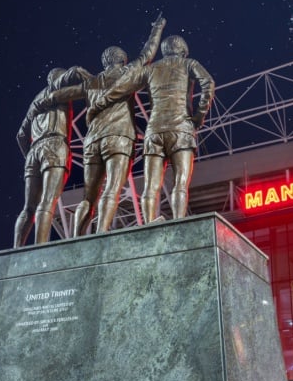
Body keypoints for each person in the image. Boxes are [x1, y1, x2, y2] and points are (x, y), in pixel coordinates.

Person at [37, 15, 166, 235]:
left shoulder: (91, 82)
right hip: (118, 137)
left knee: (89, 196)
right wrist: (157, 28)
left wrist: (44, 100)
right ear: (122, 60)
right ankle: (101, 234)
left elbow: (61, 94)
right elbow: (148, 53)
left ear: (105, 62)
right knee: (113, 188)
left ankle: (76, 238)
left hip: (92, 141)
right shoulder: (127, 72)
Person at [87, 33, 214, 223]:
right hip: (181, 129)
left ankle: (149, 225)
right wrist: (199, 115)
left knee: (151, 187)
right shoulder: (189, 64)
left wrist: (98, 104)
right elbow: (209, 83)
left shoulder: (150, 69)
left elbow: (122, 87)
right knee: (180, 183)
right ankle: (179, 222)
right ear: (183, 51)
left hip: (154, 131)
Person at [13, 66, 90, 247]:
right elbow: (75, 71)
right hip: (54, 144)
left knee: (28, 207)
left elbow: (21, 135)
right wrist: (97, 81)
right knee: (48, 201)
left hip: (33, 151)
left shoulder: (34, 102)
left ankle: (17, 249)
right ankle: (40, 247)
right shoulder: (56, 88)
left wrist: (30, 158)